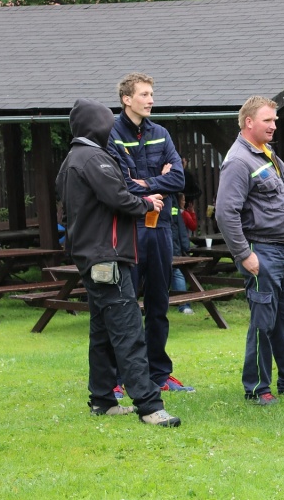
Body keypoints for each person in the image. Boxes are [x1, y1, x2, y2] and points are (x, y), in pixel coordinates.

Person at [57, 98, 180, 427]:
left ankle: (102, 400)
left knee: (101, 332)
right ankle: (150, 406)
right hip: (107, 256)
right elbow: (118, 196)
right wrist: (147, 203)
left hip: (91, 257)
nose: (111, 127)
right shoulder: (93, 158)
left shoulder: (71, 160)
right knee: (128, 330)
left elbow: (74, 212)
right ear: (96, 125)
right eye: (106, 122)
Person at [215, 96, 284, 406]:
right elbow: (225, 212)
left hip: (282, 252)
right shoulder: (239, 161)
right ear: (249, 122)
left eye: (275, 120)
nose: (274, 125)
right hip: (260, 251)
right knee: (264, 322)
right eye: (268, 120)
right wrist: (243, 254)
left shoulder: (267, 153)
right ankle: (257, 388)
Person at [107, 72, 193, 394]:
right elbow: (120, 186)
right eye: (144, 94)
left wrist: (144, 183)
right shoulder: (112, 136)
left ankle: (159, 375)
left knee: (159, 305)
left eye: (151, 94)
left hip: (161, 230)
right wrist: (154, 182)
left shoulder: (161, 134)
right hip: (129, 229)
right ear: (127, 99)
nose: (151, 100)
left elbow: (179, 180)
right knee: (124, 306)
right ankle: (117, 380)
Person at [170, 192, 194, 315]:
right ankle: (184, 306)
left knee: (176, 272)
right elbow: (178, 224)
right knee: (176, 273)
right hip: (171, 243)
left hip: (171, 243)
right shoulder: (171, 198)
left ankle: (184, 305)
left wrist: (184, 245)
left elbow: (178, 223)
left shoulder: (172, 200)